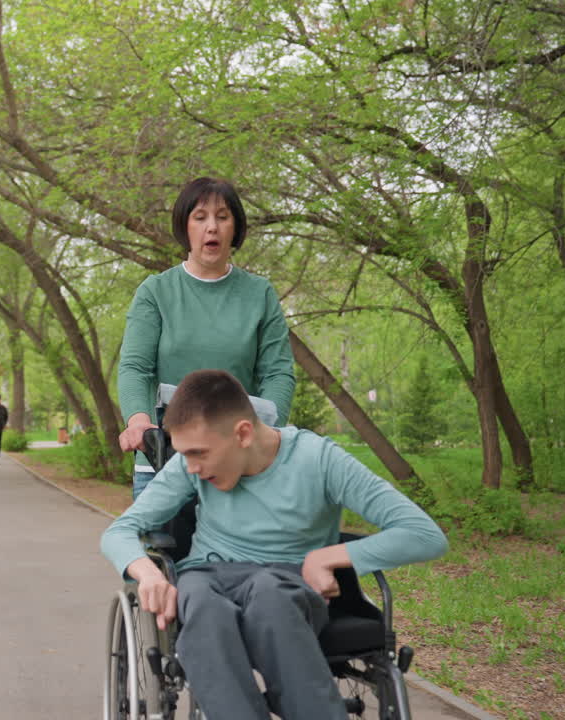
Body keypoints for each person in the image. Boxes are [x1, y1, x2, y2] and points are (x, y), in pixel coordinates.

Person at [101, 369, 447, 720]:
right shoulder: (187, 466)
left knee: (270, 597)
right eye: (184, 454)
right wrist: (148, 574)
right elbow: (119, 531)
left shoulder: (319, 460)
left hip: (285, 585)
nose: (190, 467)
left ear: (243, 433)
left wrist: (332, 556)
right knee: (204, 606)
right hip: (208, 576)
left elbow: (423, 534)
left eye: (199, 453)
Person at [118, 177, 296, 499]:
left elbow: (277, 373)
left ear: (235, 227)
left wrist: (266, 433)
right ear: (185, 227)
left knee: (238, 551)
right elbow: (135, 368)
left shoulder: (259, 294)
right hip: (164, 462)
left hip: (238, 460)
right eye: (200, 217)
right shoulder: (156, 292)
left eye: (222, 216)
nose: (211, 227)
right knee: (163, 549)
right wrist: (139, 422)